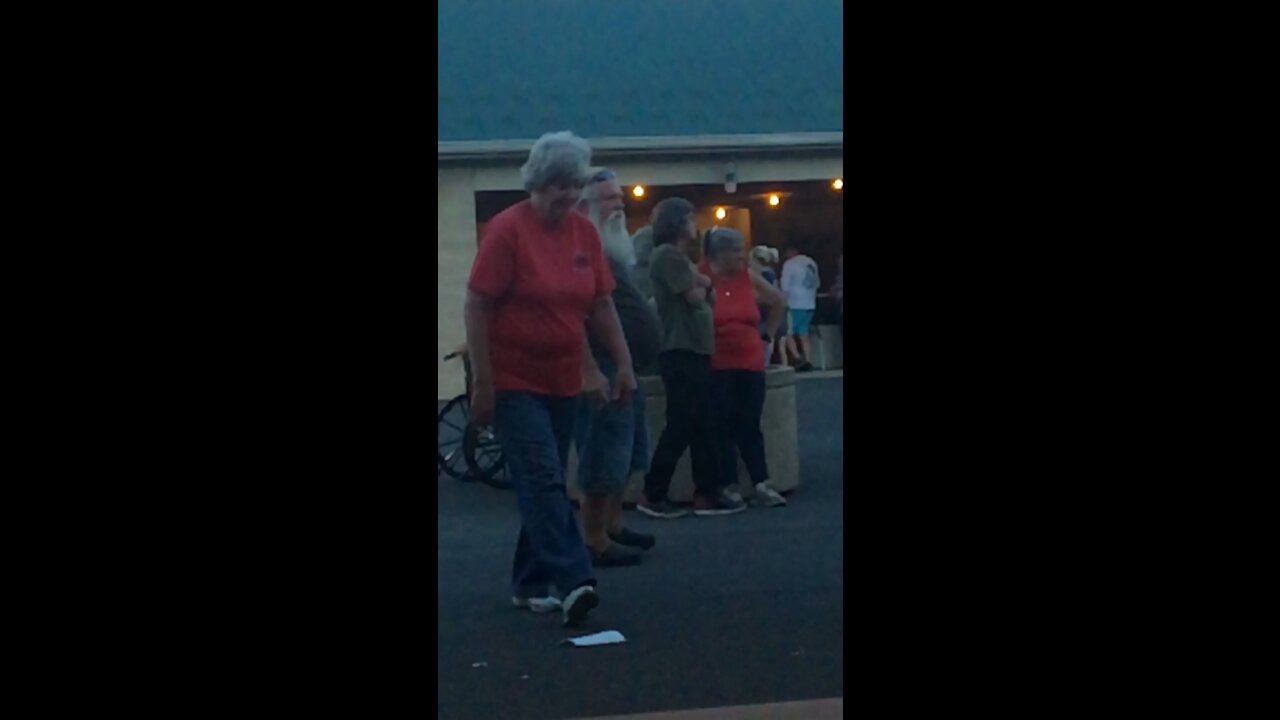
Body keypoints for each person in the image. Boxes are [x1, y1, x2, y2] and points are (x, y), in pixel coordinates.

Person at [465, 131, 636, 626]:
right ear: (536, 184)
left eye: (574, 185)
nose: (567, 195)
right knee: (542, 478)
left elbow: (601, 305)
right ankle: (573, 578)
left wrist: (621, 364)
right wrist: (484, 382)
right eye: (558, 185)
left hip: (563, 379)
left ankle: (529, 582)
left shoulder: (584, 234)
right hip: (513, 377)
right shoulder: (507, 231)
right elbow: (477, 305)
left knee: (544, 482)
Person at [574, 168, 663, 566]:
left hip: (625, 364)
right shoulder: (580, 247)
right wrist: (590, 367)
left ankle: (611, 524)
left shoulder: (613, 246)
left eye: (619, 197)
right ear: (585, 205)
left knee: (631, 450)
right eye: (610, 198)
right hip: (603, 365)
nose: (619, 204)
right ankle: (593, 538)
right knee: (604, 452)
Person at [641, 198, 745, 518]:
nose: (694, 224)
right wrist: (705, 282)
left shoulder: (682, 259)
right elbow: (696, 296)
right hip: (680, 348)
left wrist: (703, 284)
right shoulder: (668, 256)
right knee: (683, 422)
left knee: (702, 423)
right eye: (689, 218)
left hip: (696, 348)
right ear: (676, 223)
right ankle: (653, 491)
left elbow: (704, 294)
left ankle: (707, 491)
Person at [700, 229, 790, 508]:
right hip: (718, 361)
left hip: (750, 359)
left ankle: (761, 482)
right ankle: (729, 484)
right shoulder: (702, 277)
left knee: (750, 422)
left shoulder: (746, 276)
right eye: (737, 251)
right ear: (720, 253)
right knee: (723, 423)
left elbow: (778, 301)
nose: (742, 256)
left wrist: (768, 335)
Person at [749, 246, 802, 368]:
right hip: (774, 313)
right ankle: (783, 364)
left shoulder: (764, 275)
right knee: (779, 342)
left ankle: (767, 364)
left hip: (767, 314)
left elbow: (771, 297)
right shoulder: (772, 274)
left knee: (770, 341)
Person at [780, 246, 820, 371]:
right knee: (804, 334)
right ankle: (808, 359)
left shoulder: (789, 264)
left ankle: (797, 358)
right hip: (810, 302)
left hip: (795, 303)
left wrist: (783, 302)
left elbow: (784, 286)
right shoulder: (811, 262)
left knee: (787, 333)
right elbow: (817, 283)